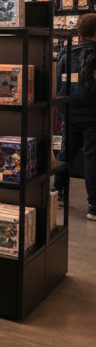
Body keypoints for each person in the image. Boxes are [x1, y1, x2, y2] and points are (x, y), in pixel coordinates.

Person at [56, 12, 96, 220]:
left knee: (66, 152)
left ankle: (56, 193)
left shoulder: (67, 52)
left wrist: (61, 109)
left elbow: (60, 83)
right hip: (92, 112)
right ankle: (93, 206)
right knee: (92, 156)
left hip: (70, 108)